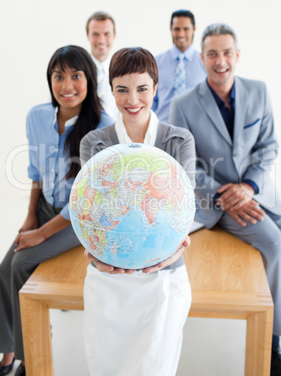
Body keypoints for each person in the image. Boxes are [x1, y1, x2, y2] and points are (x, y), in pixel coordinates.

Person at [170, 23, 281, 376]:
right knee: (275, 245)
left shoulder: (259, 91)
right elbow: (183, 164)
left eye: (227, 52)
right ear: (202, 58)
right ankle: (274, 342)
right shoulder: (183, 105)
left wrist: (248, 186)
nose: (221, 61)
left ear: (237, 55)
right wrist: (228, 194)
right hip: (215, 203)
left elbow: (268, 147)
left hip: (258, 192)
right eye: (213, 54)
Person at [80, 47, 196, 376]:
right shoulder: (95, 143)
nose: (133, 99)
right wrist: (93, 253)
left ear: (156, 88)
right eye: (122, 89)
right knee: (105, 365)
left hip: (163, 274)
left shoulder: (178, 140)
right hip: (108, 278)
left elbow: (184, 208)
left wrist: (174, 249)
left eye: (142, 88)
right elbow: (87, 209)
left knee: (154, 367)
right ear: (111, 90)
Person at [0, 45, 114, 376]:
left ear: (89, 80)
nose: (67, 85)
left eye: (76, 76)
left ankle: (29, 354)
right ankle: (6, 350)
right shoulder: (37, 116)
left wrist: (41, 234)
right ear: (49, 80)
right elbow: (36, 172)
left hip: (80, 219)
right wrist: (30, 216)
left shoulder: (103, 127)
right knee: (2, 271)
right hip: (47, 209)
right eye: (58, 76)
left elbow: (87, 201)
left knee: (21, 264)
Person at [151, 9, 206, 123]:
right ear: (171, 29)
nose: (181, 34)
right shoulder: (156, 62)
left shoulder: (204, 62)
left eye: (186, 29)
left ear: (194, 29)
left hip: (195, 129)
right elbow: (150, 99)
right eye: (177, 29)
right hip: (163, 129)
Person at [86, 10, 119, 120]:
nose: (101, 40)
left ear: (114, 35)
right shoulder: (75, 70)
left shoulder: (122, 71)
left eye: (106, 34)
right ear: (88, 35)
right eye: (95, 34)